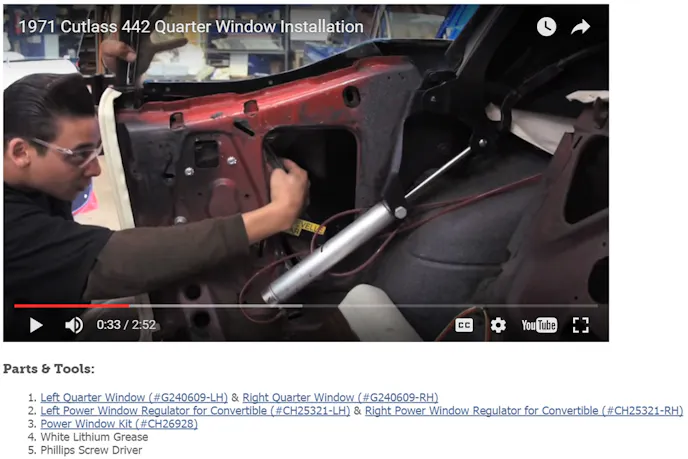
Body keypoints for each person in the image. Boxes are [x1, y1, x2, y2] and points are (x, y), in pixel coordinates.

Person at [4, 40, 309, 341]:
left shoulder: (31, 173)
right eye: (80, 154)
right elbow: (117, 262)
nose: (95, 169)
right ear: (20, 152)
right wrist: (275, 216)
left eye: (95, 151)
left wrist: (122, 79)